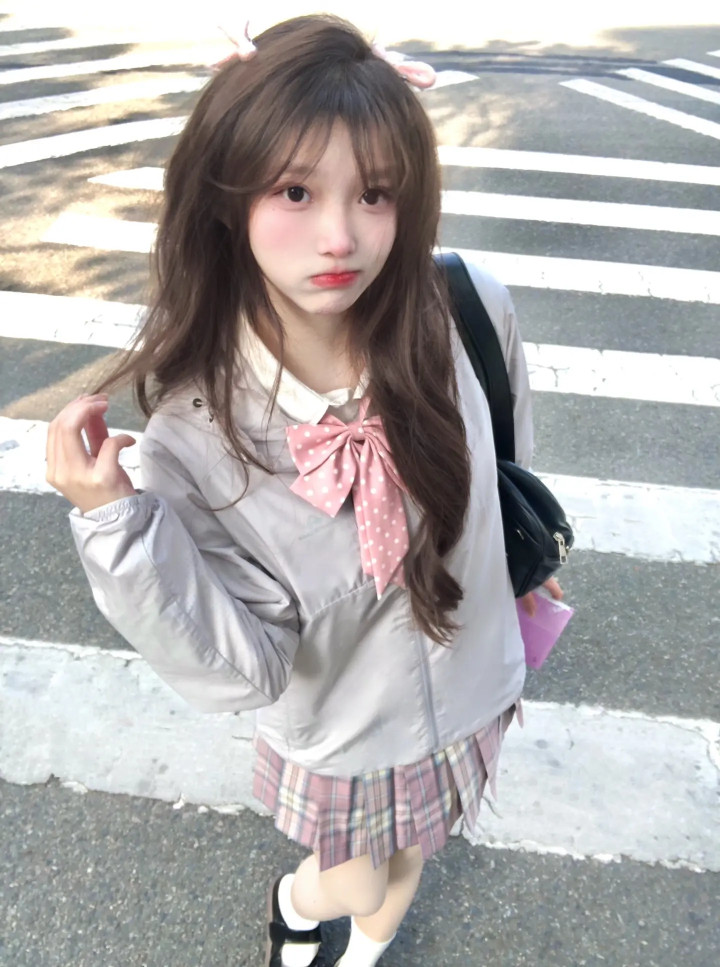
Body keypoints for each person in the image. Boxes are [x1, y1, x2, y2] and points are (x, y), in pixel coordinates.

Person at [46, 15, 562, 967]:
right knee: (357, 875)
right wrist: (114, 523)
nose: (340, 236)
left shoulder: (463, 306)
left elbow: (504, 451)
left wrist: (522, 563)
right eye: (295, 190)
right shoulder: (196, 436)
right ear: (227, 195)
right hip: (347, 732)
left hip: (472, 673)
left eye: (374, 193)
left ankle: (360, 955)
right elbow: (241, 667)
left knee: (413, 856)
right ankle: (296, 901)